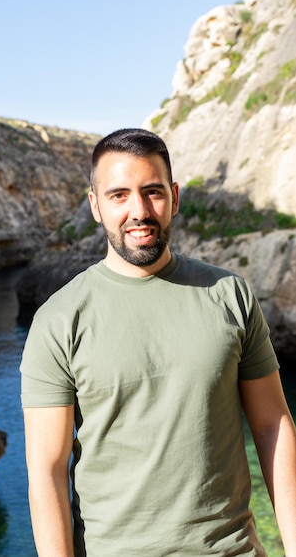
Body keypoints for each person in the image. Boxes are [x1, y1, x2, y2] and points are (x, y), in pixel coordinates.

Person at [20, 128, 296, 557]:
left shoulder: (231, 294)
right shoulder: (58, 319)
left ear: (175, 196)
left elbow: (272, 426)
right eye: (119, 195)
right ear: (95, 205)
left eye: (152, 192)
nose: (139, 211)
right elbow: (47, 471)